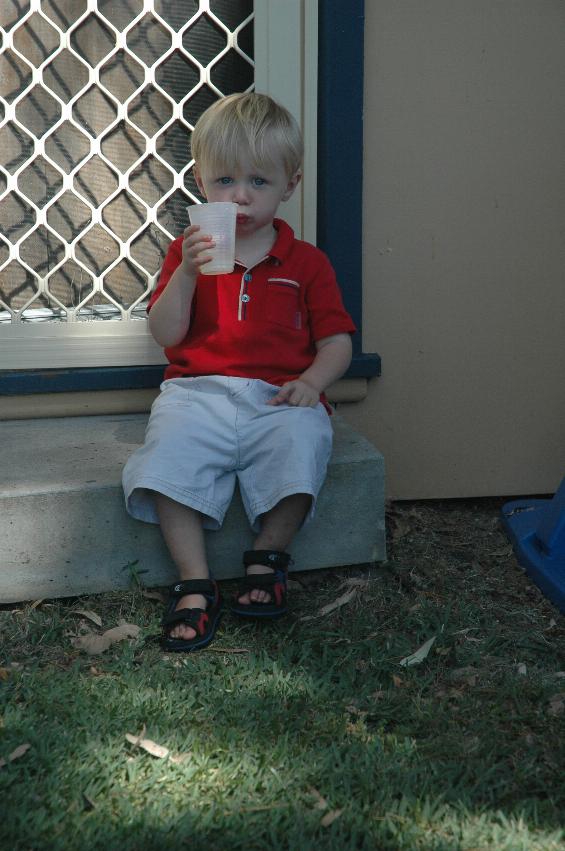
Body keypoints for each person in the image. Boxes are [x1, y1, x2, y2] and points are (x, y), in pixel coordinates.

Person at [122, 92, 355, 651]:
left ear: (290, 185)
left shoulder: (307, 263)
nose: (241, 196)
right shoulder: (186, 252)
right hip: (195, 390)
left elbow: (337, 341)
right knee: (167, 457)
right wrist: (186, 275)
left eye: (259, 181)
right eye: (225, 181)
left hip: (278, 396)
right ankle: (195, 582)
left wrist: (313, 383)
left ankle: (267, 558)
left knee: (303, 443)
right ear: (202, 181)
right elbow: (167, 335)